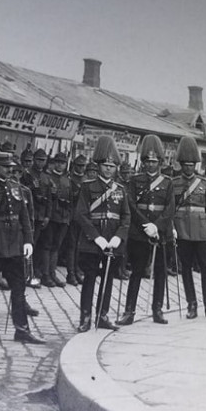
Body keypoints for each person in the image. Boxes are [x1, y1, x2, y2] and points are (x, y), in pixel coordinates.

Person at [0, 152, 45, 345]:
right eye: (5, 167)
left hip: (15, 244)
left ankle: (21, 329)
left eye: (11, 167)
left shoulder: (17, 188)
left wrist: (28, 241)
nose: (10, 170)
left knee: (19, 288)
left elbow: (24, 218)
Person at [117, 134, 175, 325]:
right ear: (143, 161)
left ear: (160, 161)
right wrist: (146, 226)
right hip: (140, 232)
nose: (151, 164)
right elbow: (131, 205)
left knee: (160, 271)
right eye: (148, 161)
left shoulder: (167, 182)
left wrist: (156, 226)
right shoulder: (135, 180)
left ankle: (157, 309)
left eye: (154, 161)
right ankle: (129, 311)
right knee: (137, 271)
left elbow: (170, 208)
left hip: (161, 232)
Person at [74, 136, 130, 332]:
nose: (108, 169)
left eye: (112, 166)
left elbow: (126, 216)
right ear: (98, 166)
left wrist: (118, 237)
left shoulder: (121, 190)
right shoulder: (88, 186)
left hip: (113, 241)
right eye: (105, 165)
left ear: (116, 168)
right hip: (92, 240)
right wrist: (95, 237)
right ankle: (86, 317)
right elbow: (80, 214)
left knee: (108, 278)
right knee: (89, 278)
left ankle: (102, 315)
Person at [172, 136, 206, 319]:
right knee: (186, 267)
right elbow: (171, 209)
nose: (188, 167)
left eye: (192, 164)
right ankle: (191, 304)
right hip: (182, 230)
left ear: (196, 164)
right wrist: (172, 228)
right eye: (185, 164)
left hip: (203, 231)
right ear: (180, 164)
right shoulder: (174, 183)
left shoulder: (205, 183)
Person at [21, 149, 54, 286]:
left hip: (42, 216)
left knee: (42, 246)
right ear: (34, 159)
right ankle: (26, 274)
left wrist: (47, 216)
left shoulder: (46, 177)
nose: (41, 162)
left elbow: (50, 199)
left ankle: (39, 273)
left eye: (43, 160)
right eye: (39, 159)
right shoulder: (27, 175)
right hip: (30, 215)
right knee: (29, 245)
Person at [43, 152, 73, 287]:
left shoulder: (67, 180)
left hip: (64, 217)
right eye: (58, 162)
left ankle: (52, 274)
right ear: (54, 163)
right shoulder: (48, 178)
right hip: (52, 216)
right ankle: (45, 275)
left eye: (63, 163)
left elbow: (71, 199)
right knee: (47, 245)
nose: (60, 165)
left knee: (57, 246)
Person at [63, 154, 88, 285]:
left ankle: (77, 270)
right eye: (78, 165)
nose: (81, 168)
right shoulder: (70, 179)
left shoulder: (86, 180)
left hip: (83, 217)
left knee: (79, 245)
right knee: (71, 245)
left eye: (83, 166)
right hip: (72, 215)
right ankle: (70, 273)